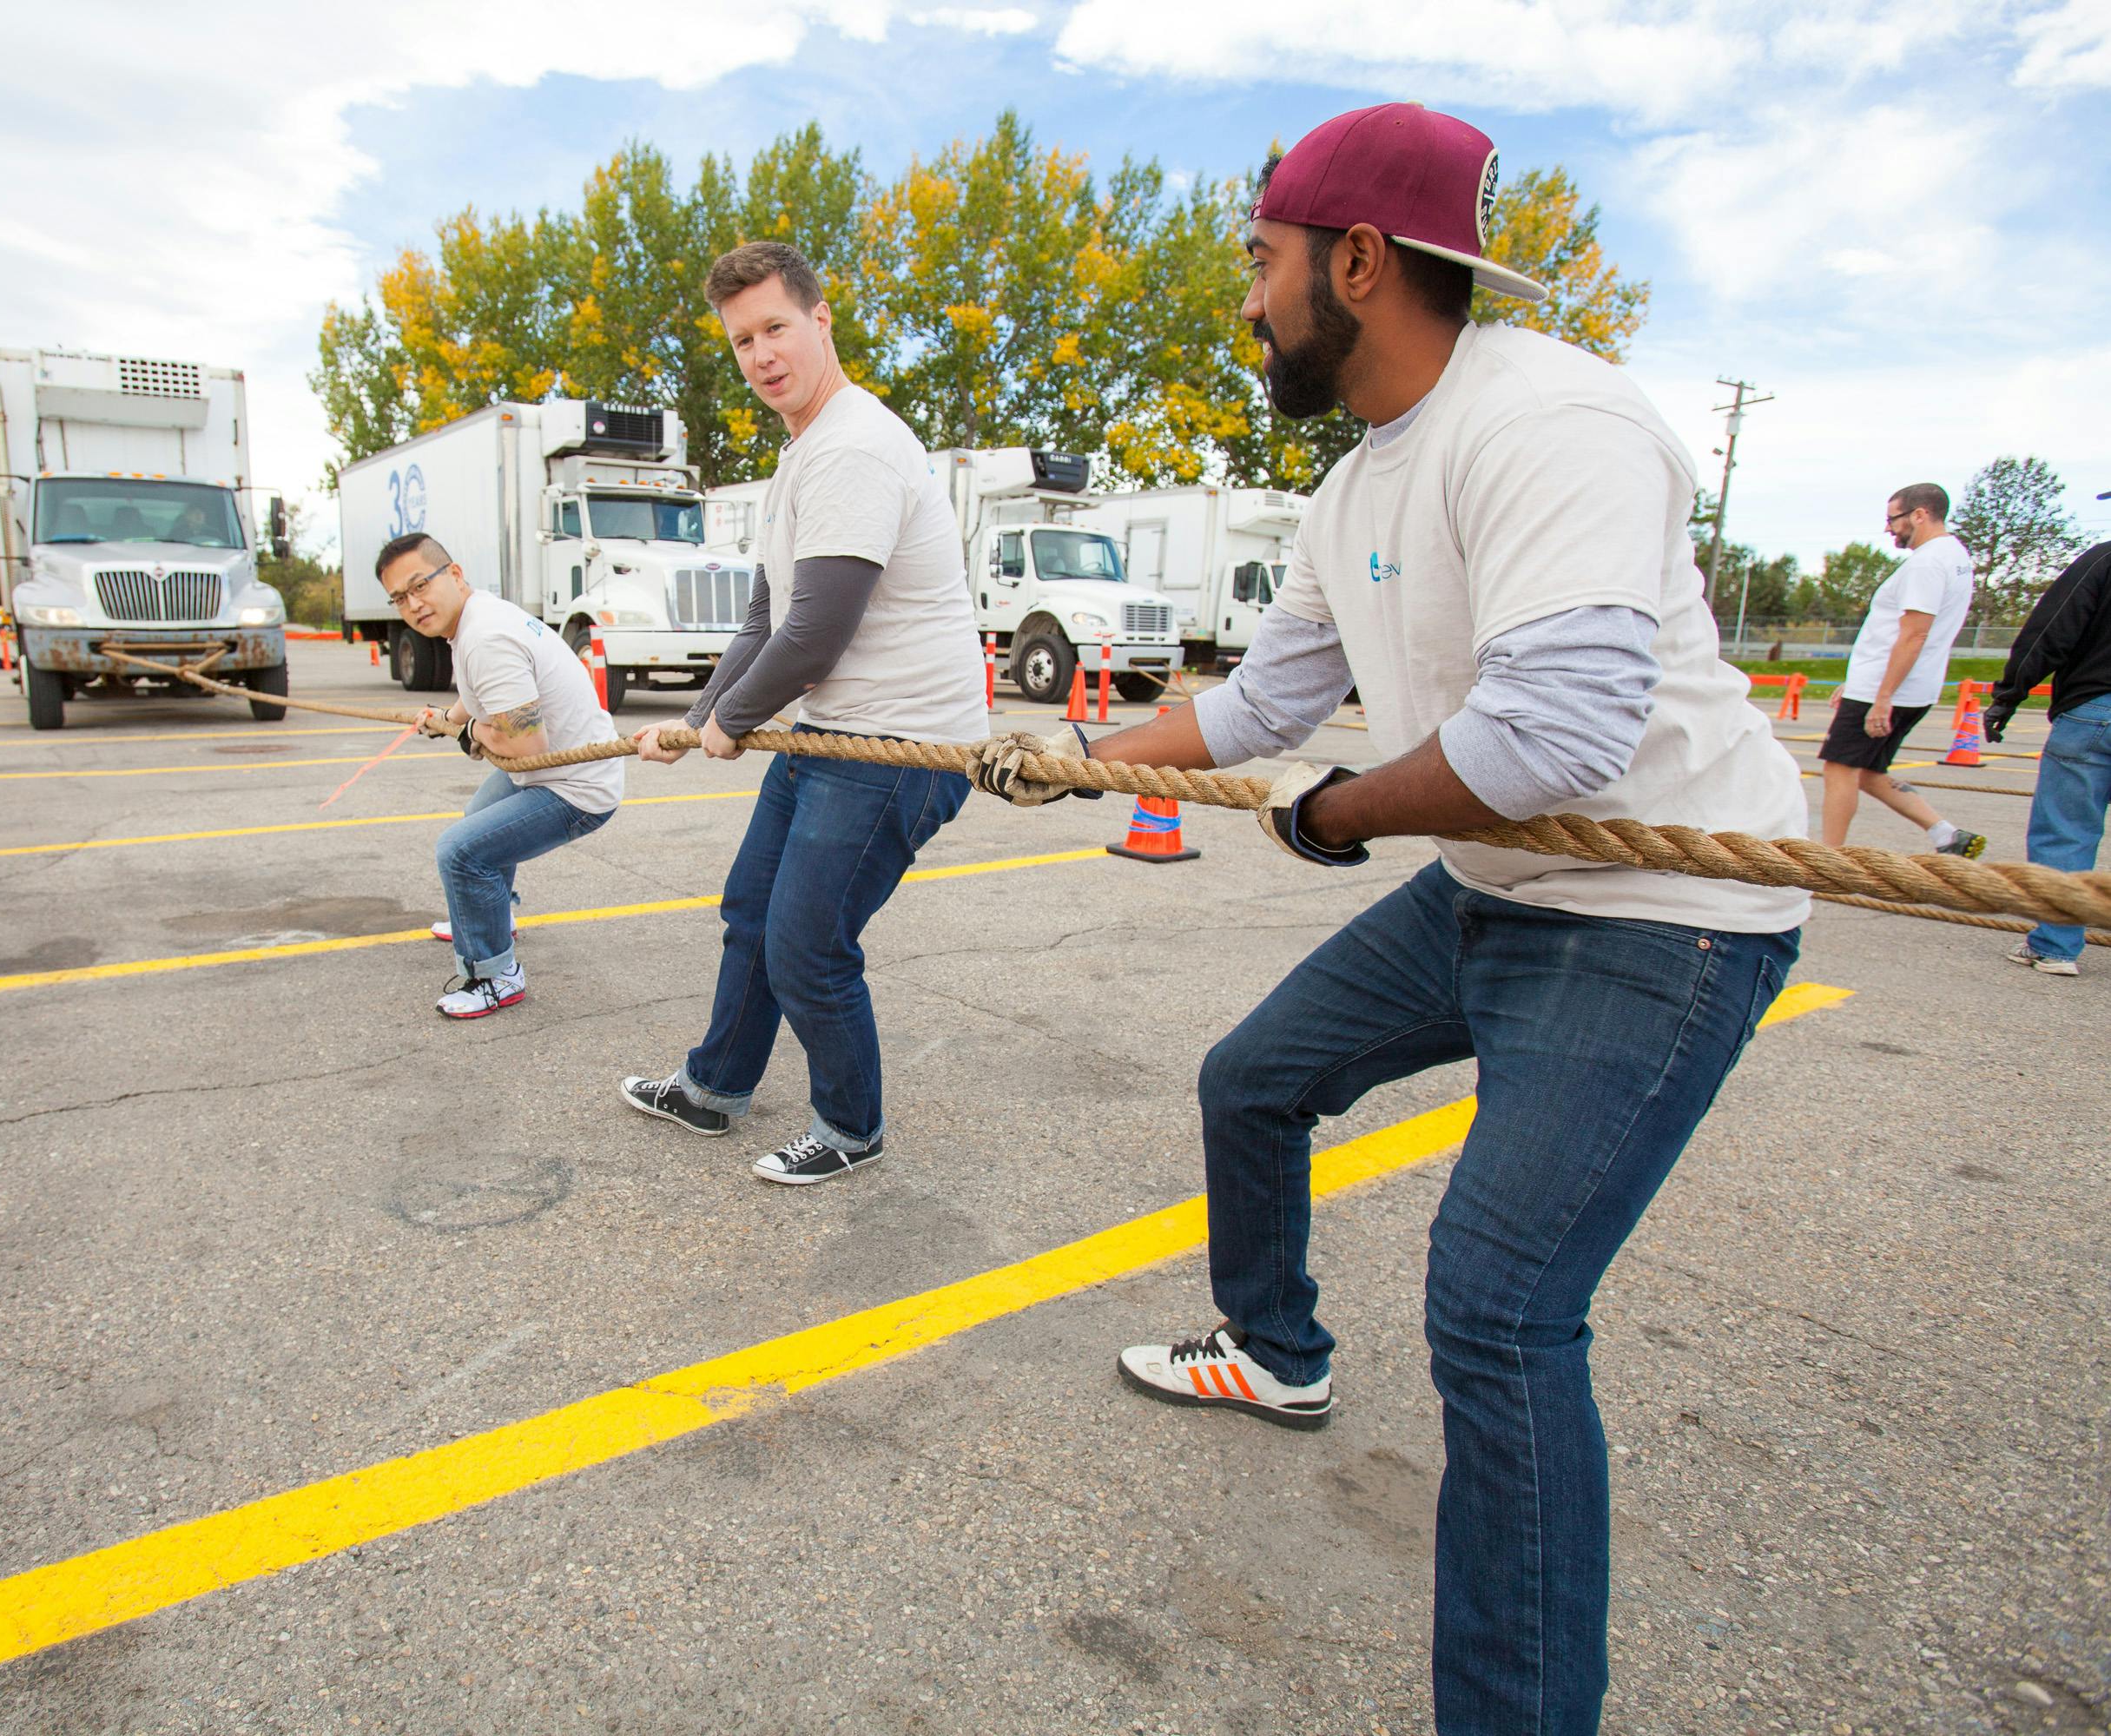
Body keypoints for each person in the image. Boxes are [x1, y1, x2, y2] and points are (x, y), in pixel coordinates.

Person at [970, 103, 1809, 1734]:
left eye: (1261, 263)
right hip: (1495, 884)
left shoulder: (1554, 424)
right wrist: (1072, 759)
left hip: (1662, 912)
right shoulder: (1360, 473)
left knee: (1495, 1308)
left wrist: (1335, 810)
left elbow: (1547, 740)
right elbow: (1260, 702)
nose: (1248, 299)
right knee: (1251, 1074)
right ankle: (1275, 1347)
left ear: (1357, 259)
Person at [618, 241, 981, 1186]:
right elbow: (763, 618)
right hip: (832, 732)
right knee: (751, 912)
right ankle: (713, 1089)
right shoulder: (803, 451)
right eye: (742, 340)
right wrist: (695, 716)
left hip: (899, 744)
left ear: (821, 320)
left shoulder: (854, 446)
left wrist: (726, 724)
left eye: (775, 327)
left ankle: (850, 1126)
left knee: (806, 943)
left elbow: (812, 636)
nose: (760, 354)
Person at [380, 531, 621, 1019]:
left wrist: (467, 730)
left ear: (453, 574)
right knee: (478, 818)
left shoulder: (485, 637)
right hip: (566, 770)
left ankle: (494, 976)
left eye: (419, 585)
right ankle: (492, 914)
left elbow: (526, 749)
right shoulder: (477, 616)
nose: (413, 604)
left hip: (575, 788)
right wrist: (446, 719)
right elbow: (477, 696)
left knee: (462, 852)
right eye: (400, 598)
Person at [1816, 485, 1983, 856]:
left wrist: (1880, 697)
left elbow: (1913, 635)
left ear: (1919, 514)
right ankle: (1946, 835)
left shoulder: (1926, 563)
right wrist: (1859, 681)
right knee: (1870, 772)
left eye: (1893, 519)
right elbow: (1896, 633)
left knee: (1839, 769)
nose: (1890, 529)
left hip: (1888, 689)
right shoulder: (1955, 555)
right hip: (1909, 687)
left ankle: (1828, 861)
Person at [1985, 538, 2111, 977]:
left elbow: (2051, 630)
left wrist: (2008, 696)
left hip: (2096, 711)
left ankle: (2056, 947)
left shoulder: (2104, 559)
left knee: (2066, 832)